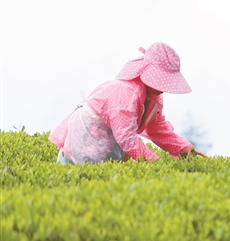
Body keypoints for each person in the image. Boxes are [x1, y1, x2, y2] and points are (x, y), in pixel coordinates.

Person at [49, 42, 206, 164]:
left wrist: (183, 148)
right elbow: (127, 138)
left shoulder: (153, 97)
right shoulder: (125, 94)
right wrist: (155, 163)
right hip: (85, 146)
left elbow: (156, 128)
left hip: (108, 148)